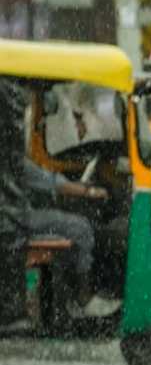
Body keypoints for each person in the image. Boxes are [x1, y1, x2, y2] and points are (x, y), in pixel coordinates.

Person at [0, 80, 115, 318]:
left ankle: (66, 298)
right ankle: (82, 299)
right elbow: (49, 181)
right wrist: (88, 192)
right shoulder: (10, 157)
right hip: (15, 219)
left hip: (12, 217)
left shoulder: (9, 154)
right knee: (81, 228)